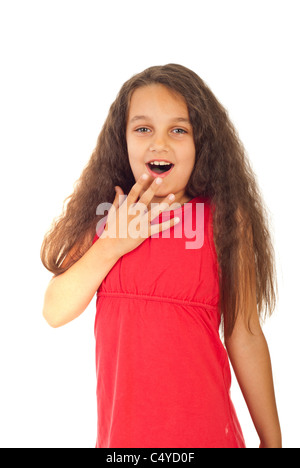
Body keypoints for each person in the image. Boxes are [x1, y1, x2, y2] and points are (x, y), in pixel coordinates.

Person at [41, 64, 282, 448]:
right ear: (122, 141)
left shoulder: (224, 221)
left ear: (201, 143)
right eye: (143, 129)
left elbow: (246, 334)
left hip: (208, 435)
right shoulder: (106, 218)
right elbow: (55, 310)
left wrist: (274, 442)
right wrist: (113, 245)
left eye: (178, 130)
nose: (160, 144)